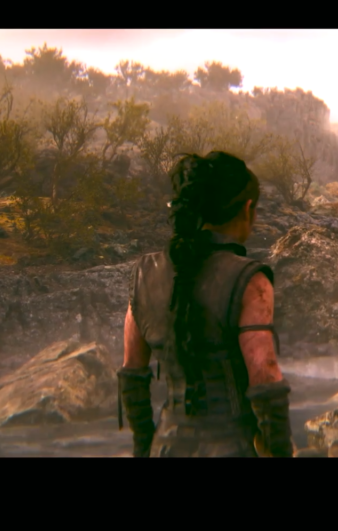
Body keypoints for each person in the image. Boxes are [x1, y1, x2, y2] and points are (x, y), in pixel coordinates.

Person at [117, 151, 293, 457]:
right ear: (248, 209)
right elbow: (265, 377)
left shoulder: (144, 274)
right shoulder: (250, 280)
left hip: (166, 446)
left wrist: (144, 446)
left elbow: (132, 374)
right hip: (233, 447)